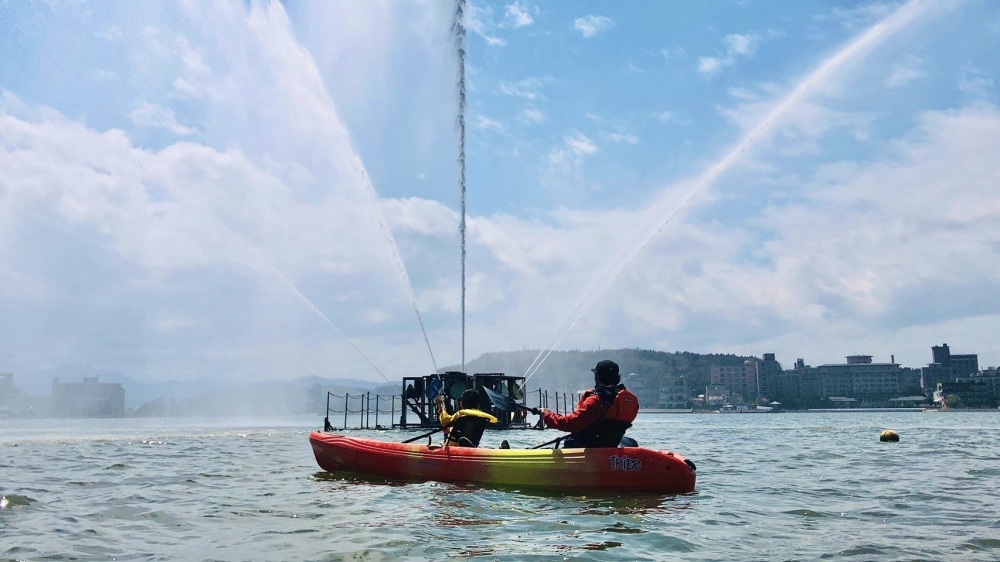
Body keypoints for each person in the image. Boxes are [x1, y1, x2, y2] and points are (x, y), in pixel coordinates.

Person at [539, 359, 639, 448]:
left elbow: (571, 424)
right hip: (609, 445)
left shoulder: (596, 400)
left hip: (586, 447)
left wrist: (547, 415)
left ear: (597, 377)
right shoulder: (631, 402)